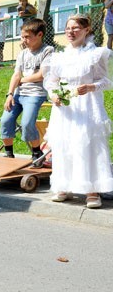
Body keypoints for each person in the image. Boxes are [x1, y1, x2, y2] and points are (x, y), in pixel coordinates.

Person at [42, 14, 113, 209]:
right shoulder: (58, 57)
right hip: (65, 107)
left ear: (86, 30)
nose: (70, 32)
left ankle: (92, 190)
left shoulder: (96, 54)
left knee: (88, 144)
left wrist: (90, 87)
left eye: (75, 28)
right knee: (65, 144)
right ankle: (64, 186)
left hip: (87, 105)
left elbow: (106, 81)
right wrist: (53, 95)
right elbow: (51, 81)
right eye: (68, 29)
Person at [0, 18, 53, 163]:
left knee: (27, 123)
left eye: (27, 37)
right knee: (5, 120)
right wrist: (10, 94)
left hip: (36, 94)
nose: (24, 40)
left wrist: (22, 80)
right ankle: (9, 154)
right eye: (23, 37)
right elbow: (16, 74)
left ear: (39, 35)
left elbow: (41, 75)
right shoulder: (22, 53)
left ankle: (36, 153)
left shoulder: (47, 51)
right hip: (18, 94)